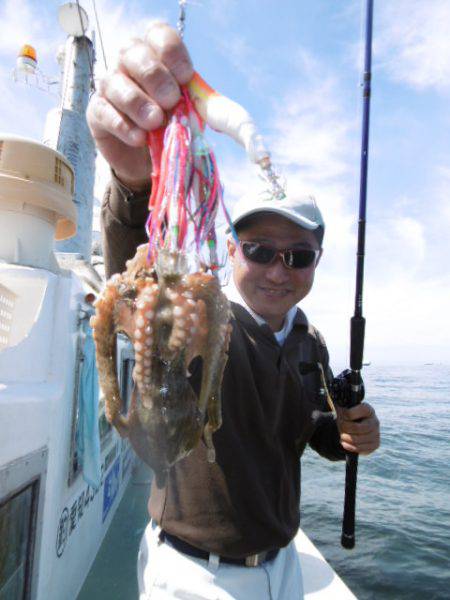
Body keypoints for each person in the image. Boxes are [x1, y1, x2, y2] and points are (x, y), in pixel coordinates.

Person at [87, 22, 380, 600]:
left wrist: (346, 433)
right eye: (259, 250)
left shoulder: (309, 343)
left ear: (316, 263)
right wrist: (132, 178)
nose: (278, 269)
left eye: (297, 255)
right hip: (197, 576)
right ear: (229, 251)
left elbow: (301, 431)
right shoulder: (203, 321)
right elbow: (140, 273)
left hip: (284, 568)